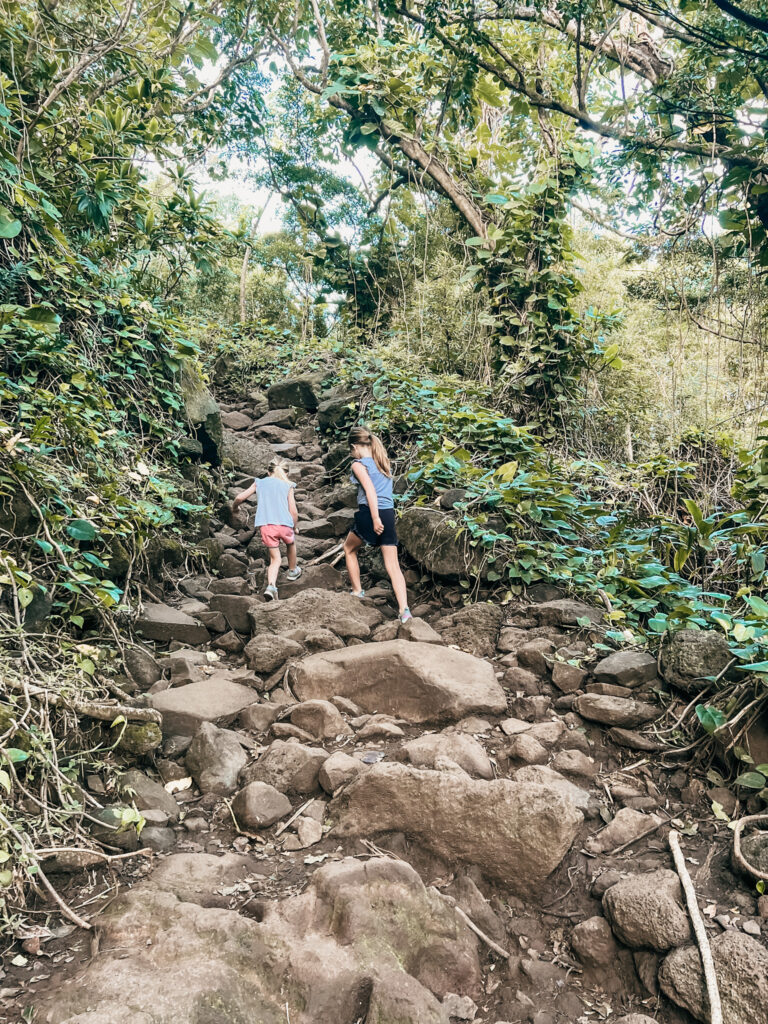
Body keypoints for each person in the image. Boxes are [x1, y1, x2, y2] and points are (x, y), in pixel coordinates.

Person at [344, 426, 411, 623]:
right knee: (393, 565)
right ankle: (404, 610)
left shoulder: (358, 464)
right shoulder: (383, 463)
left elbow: (370, 492)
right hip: (388, 514)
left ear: (355, 446)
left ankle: (357, 591)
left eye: (351, 450)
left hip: (370, 513)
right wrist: (381, 517)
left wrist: (374, 518)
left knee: (348, 548)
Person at [232, 458, 301, 601]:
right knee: (291, 544)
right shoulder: (288, 485)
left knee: (275, 559)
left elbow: (239, 497)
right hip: (285, 524)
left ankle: (271, 586)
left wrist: (235, 508)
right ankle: (293, 570)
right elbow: (293, 511)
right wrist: (294, 527)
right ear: (286, 473)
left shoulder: (259, 482)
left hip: (267, 526)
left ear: (268, 472)